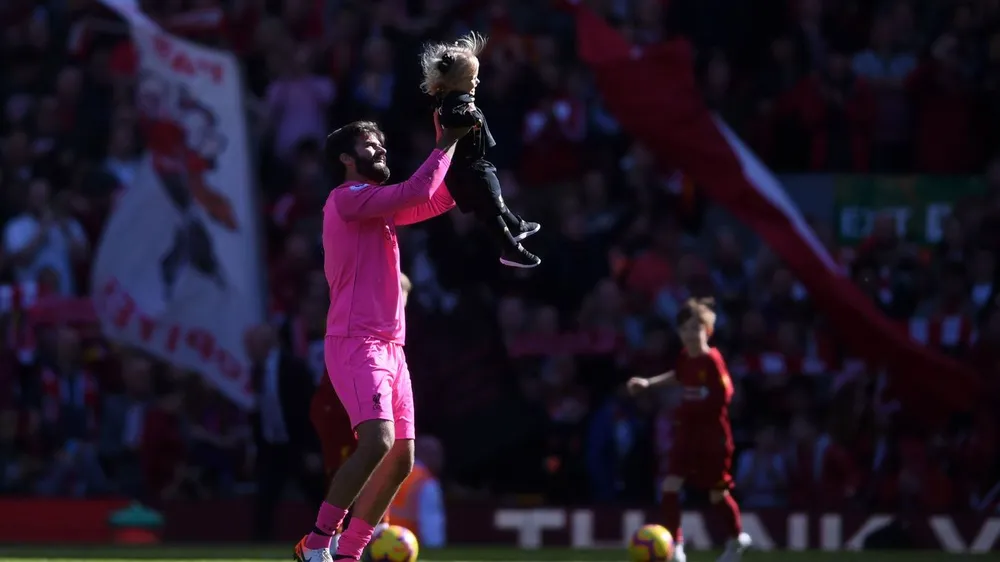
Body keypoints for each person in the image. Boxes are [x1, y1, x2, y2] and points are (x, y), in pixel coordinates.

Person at [293, 118, 470, 562]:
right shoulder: (346, 198)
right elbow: (416, 192)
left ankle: (350, 554)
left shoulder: (376, 207)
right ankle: (316, 544)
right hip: (356, 341)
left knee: (403, 459)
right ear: (346, 159)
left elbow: (434, 199)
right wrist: (445, 140)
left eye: (383, 144)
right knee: (377, 441)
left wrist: (469, 159)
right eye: (371, 145)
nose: (381, 151)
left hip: (392, 347)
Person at [626, 298, 752, 562]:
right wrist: (648, 383)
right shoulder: (685, 358)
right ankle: (676, 547)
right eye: (685, 329)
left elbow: (726, 393)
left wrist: (704, 401)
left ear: (708, 331)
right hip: (687, 433)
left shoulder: (713, 360)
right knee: (670, 486)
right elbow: (679, 375)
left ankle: (736, 540)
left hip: (713, 437)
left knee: (717, 493)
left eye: (696, 328)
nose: (690, 334)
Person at [305, 275, 412, 551]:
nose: (398, 304)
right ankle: (329, 540)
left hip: (364, 402)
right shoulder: (356, 322)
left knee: (388, 456)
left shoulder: (390, 344)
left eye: (403, 298)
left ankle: (374, 531)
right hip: (336, 409)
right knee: (346, 466)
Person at [418, 32, 542, 268]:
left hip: (476, 163)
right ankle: (510, 248)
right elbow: (452, 120)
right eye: (472, 78)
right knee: (490, 207)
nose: (477, 82)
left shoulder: (463, 99)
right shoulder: (451, 106)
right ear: (455, 81)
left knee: (495, 199)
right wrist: (466, 115)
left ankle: (515, 226)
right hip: (466, 169)